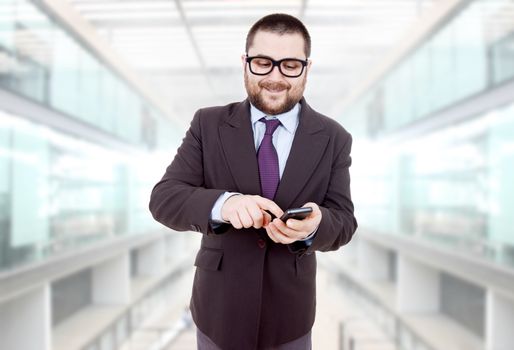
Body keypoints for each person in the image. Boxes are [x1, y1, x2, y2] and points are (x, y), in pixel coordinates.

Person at [149, 13, 357, 350]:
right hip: (218, 310)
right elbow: (164, 199)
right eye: (263, 62)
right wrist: (225, 204)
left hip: (290, 317)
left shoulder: (334, 138)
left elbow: (344, 222)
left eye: (290, 64)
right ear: (245, 63)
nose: (275, 77)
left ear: (307, 67)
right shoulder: (208, 124)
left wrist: (316, 226)